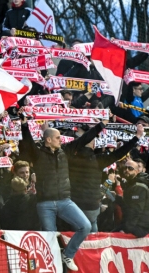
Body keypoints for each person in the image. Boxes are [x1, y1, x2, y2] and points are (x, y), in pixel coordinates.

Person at [18, 114, 104, 271]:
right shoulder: (37, 154)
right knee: (49, 239)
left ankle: (68, 255)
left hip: (65, 201)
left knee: (85, 226)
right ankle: (52, 267)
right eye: (58, 137)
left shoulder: (66, 151)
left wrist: (100, 126)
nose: (61, 139)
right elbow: (29, 143)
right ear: (48, 140)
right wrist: (24, 125)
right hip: (45, 203)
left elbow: (82, 140)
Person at [70, 123, 143, 231]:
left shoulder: (70, 158)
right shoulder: (98, 160)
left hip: (74, 206)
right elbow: (118, 154)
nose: (127, 170)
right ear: (94, 145)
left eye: (131, 169)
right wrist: (136, 137)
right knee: (91, 235)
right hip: (92, 206)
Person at [115, 158, 149, 237]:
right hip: (132, 225)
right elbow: (127, 206)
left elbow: (135, 212)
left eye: (130, 168)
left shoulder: (139, 187)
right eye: (125, 168)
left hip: (139, 228)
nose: (127, 170)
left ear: (137, 172)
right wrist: (117, 198)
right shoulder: (129, 185)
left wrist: (126, 230)